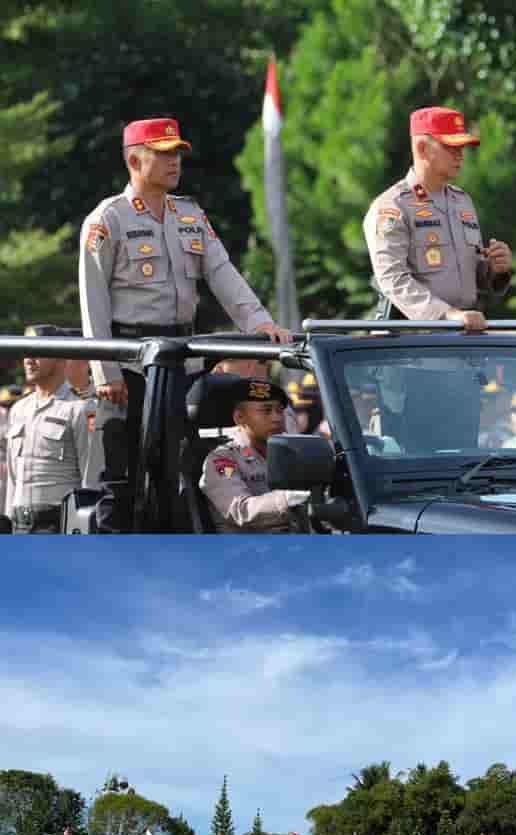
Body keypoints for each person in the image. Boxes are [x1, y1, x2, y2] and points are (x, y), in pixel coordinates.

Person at [78, 118, 292, 494]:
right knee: (118, 476)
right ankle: (109, 553)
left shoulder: (189, 214)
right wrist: (103, 372)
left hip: (181, 361)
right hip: (129, 364)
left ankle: (174, 548)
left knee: (177, 472)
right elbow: (91, 298)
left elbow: (223, 273)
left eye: (177, 153)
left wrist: (259, 322)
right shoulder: (107, 219)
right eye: (163, 154)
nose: (174, 161)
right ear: (134, 161)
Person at [364, 107, 511, 327]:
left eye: (461, 147)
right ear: (422, 148)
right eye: (451, 147)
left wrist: (495, 269)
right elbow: (393, 280)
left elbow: (471, 277)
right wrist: (446, 315)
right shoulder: (392, 206)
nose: (460, 155)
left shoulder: (462, 202)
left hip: (462, 330)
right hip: (409, 340)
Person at [5, 328, 105, 534]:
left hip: (58, 524)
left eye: (37, 351)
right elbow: (12, 481)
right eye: (25, 351)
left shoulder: (80, 408)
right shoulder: (18, 410)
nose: (29, 359)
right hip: (19, 525)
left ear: (60, 356)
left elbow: (91, 477)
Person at [198, 378, 311, 532]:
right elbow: (240, 510)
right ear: (239, 417)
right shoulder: (223, 460)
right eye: (266, 411)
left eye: (279, 410)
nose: (276, 418)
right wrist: (288, 499)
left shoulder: (289, 454)